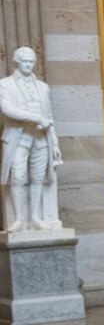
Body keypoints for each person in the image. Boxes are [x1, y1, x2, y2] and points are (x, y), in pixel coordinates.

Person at [0, 47, 62, 233]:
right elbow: (8, 110)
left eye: (31, 62)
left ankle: (35, 216)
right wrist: (36, 118)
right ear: (16, 62)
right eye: (24, 62)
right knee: (18, 177)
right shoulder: (5, 84)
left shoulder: (43, 87)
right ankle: (19, 219)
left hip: (41, 139)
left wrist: (55, 143)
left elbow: (49, 117)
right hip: (18, 138)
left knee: (38, 178)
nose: (28, 65)